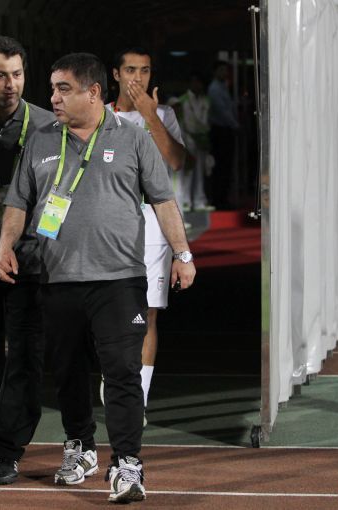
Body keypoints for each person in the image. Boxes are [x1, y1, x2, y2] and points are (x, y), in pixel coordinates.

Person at [0, 52, 196, 504]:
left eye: (63, 89)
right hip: (57, 277)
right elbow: (19, 202)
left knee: (122, 370)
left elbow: (163, 200)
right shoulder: (42, 139)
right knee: (68, 372)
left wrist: (182, 254)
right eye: (52, 89)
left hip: (119, 279)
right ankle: (80, 446)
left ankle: (127, 462)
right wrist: (4, 246)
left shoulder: (132, 137)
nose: (53, 98)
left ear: (94, 92)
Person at [0, 36, 56, 485]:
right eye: (0, 75)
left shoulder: (47, 125)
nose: (10, 84)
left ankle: (7, 448)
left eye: (17, 74)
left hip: (29, 260)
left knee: (25, 355)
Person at [106, 46, 186, 428]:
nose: (137, 78)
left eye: (145, 70)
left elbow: (177, 160)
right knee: (109, 312)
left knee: (147, 313)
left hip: (154, 228)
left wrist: (151, 115)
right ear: (116, 74)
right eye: (130, 70)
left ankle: (137, 399)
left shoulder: (164, 114)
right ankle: (116, 378)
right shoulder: (100, 114)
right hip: (108, 228)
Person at [177, 74, 214, 212]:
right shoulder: (182, 100)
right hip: (187, 138)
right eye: (195, 82)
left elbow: (207, 120)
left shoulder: (206, 100)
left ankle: (199, 200)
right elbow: (182, 122)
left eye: (200, 83)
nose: (197, 85)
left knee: (200, 171)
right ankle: (185, 201)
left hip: (202, 139)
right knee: (188, 171)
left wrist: (205, 137)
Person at [207, 60, 239, 210]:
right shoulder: (214, 89)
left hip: (226, 129)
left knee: (226, 165)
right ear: (215, 72)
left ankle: (223, 198)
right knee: (220, 165)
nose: (224, 73)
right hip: (220, 130)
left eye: (225, 70)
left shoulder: (223, 86)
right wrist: (235, 124)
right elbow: (222, 111)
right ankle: (218, 199)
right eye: (221, 70)